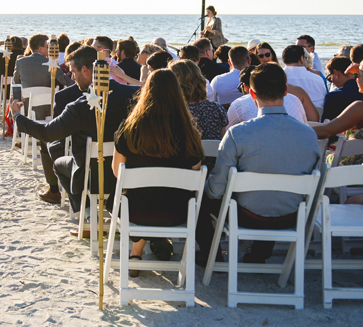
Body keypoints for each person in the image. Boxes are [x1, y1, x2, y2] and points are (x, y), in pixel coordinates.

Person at [199, 63, 322, 262]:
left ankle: (211, 255)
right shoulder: (308, 135)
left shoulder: (238, 133)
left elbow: (216, 189)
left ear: (252, 94)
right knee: (278, 186)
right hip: (291, 216)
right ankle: (259, 254)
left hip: (245, 215)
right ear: (286, 91)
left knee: (203, 194)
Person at [12, 46, 136, 215]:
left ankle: (84, 213)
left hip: (90, 179)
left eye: (73, 72)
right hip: (128, 176)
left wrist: (17, 116)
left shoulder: (79, 106)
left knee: (58, 164)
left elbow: (47, 133)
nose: (72, 77)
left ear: (85, 70)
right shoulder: (135, 95)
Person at [112, 68, 205, 268]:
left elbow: (118, 172)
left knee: (137, 194)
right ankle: (139, 251)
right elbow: (194, 177)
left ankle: (136, 253)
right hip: (177, 213)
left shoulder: (130, 128)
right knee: (158, 196)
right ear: (177, 94)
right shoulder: (189, 132)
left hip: (136, 212)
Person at [226, 65, 309, 127]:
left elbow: (225, 139)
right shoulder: (307, 132)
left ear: (252, 93)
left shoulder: (236, 133)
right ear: (286, 90)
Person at [170, 60, 226, 140]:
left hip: (185, 152)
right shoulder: (217, 108)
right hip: (212, 152)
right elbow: (223, 141)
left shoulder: (173, 111)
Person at [282, 44, 328, 114]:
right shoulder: (318, 79)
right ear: (301, 59)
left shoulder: (279, 78)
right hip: (316, 122)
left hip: (289, 119)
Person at [15, 34, 52, 118]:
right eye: (47, 47)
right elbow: (64, 81)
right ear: (40, 49)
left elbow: (16, 83)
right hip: (46, 108)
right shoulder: (50, 63)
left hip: (26, 107)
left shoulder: (20, 62)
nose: (49, 49)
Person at [321, 56, 363, 121]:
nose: (332, 83)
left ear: (336, 73)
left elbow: (326, 125)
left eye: (330, 78)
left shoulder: (333, 97)